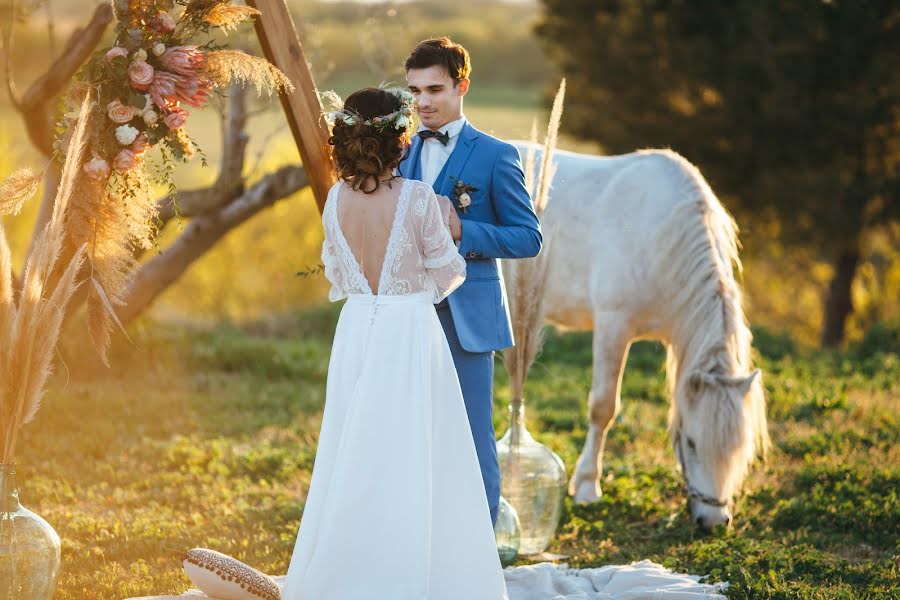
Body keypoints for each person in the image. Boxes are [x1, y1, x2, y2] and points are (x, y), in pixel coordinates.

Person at [280, 86, 509, 599]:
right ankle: (415, 570)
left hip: (358, 328)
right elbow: (449, 274)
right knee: (414, 449)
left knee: (354, 445)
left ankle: (350, 566)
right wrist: (409, 292)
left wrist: (376, 294)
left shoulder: (334, 199)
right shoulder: (420, 199)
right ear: (398, 140)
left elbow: (337, 275)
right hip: (408, 330)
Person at [399, 37, 542, 526]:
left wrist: (465, 230)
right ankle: (424, 541)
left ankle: (479, 554)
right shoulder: (400, 154)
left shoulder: (496, 155)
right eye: (414, 90)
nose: (422, 102)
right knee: (412, 436)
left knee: (472, 435)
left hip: (468, 320)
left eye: (435, 89)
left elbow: (528, 238)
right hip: (407, 317)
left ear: (462, 86)